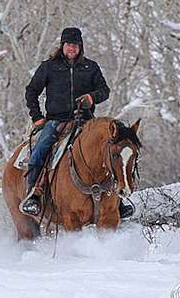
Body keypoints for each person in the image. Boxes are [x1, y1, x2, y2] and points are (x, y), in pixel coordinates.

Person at [21, 27, 134, 218]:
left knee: (108, 150)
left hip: (86, 122)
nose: (72, 48)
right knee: (40, 151)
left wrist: (92, 97)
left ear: (80, 47)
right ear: (62, 46)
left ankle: (118, 199)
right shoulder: (49, 67)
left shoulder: (91, 67)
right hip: (57, 120)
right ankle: (34, 196)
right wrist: (37, 117)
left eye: (75, 44)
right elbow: (32, 91)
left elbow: (104, 90)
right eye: (68, 44)